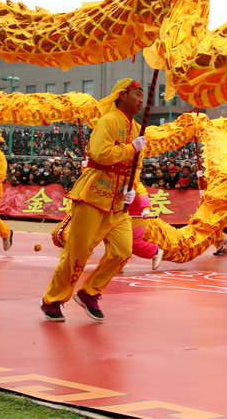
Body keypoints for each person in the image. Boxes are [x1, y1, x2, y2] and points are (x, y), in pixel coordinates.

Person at [40, 79, 149, 322]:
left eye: (143, 95)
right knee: (78, 253)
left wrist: (133, 186)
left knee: (122, 251)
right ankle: (53, 299)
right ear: (122, 95)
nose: (141, 99)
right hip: (93, 195)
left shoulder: (138, 128)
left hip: (118, 201)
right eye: (137, 94)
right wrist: (131, 147)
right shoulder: (108, 120)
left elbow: (137, 166)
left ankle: (90, 292)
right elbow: (100, 154)